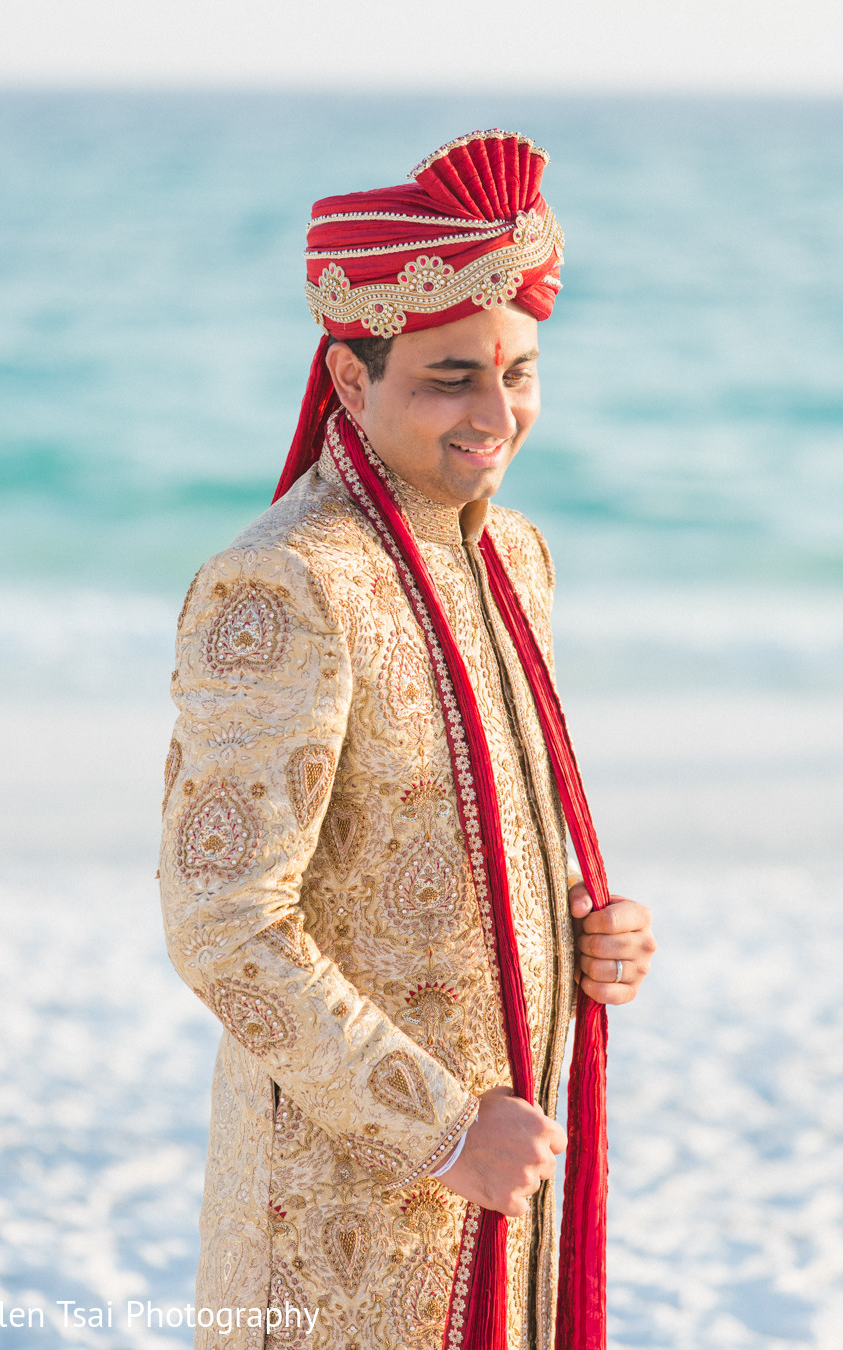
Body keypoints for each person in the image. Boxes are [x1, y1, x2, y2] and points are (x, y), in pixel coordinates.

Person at [159, 129, 655, 1350]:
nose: (499, 417)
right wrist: (438, 1126)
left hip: (512, 1162)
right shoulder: (282, 586)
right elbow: (221, 920)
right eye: (451, 379)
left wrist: (588, 928)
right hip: (348, 1201)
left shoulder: (509, 554)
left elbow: (478, 826)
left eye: (521, 373)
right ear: (346, 382)